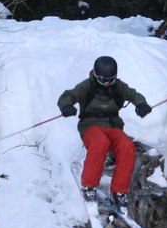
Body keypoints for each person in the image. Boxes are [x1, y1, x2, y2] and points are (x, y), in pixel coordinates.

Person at [58, 55, 152, 212]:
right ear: (95, 75)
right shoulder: (87, 86)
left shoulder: (117, 87)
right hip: (90, 125)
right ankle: (89, 186)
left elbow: (133, 94)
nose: (106, 83)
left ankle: (119, 190)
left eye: (110, 79)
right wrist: (66, 105)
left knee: (127, 146)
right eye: (102, 80)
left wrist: (141, 104)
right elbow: (68, 95)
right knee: (100, 143)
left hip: (113, 125)